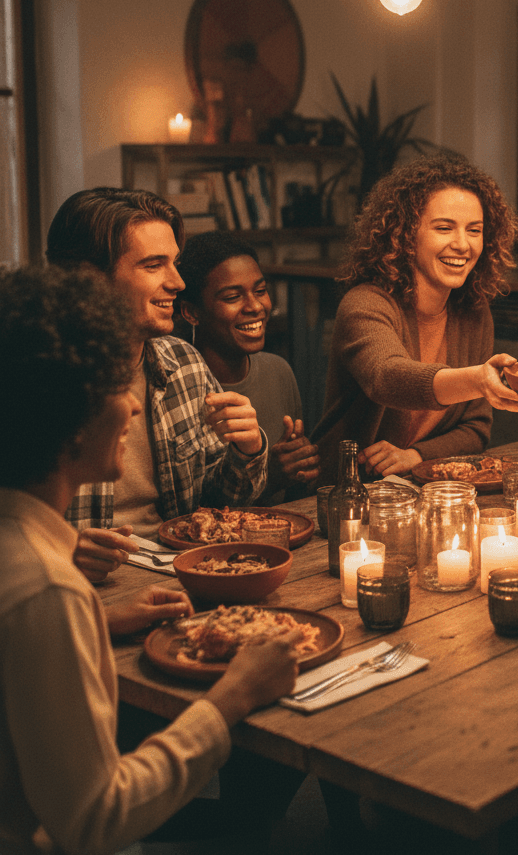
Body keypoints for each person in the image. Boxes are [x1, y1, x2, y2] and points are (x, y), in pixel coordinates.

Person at [0, 264, 300, 855]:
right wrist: (233, 695)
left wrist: (100, 621)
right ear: (68, 416)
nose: (133, 410)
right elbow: (94, 820)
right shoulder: (48, 588)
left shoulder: (23, 556)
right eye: (118, 389)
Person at [46, 187, 269, 581]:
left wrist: (247, 450)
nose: (178, 282)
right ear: (89, 279)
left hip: (179, 575)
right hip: (70, 590)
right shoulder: (30, 376)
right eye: (153, 265)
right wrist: (59, 551)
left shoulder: (183, 363)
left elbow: (217, 507)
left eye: (175, 263)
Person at [312, 154, 518, 484]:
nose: (462, 244)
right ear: (403, 234)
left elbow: (475, 429)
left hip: (425, 489)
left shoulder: (473, 310)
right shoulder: (365, 303)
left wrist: (415, 456)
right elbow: (385, 377)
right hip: (350, 494)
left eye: (474, 230)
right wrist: (477, 380)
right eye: (444, 228)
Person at [177, 231, 319, 504]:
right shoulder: (179, 391)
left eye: (261, 291)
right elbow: (188, 510)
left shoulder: (278, 371)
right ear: (191, 312)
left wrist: (302, 469)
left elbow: (295, 495)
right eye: (232, 297)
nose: (255, 306)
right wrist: (269, 474)